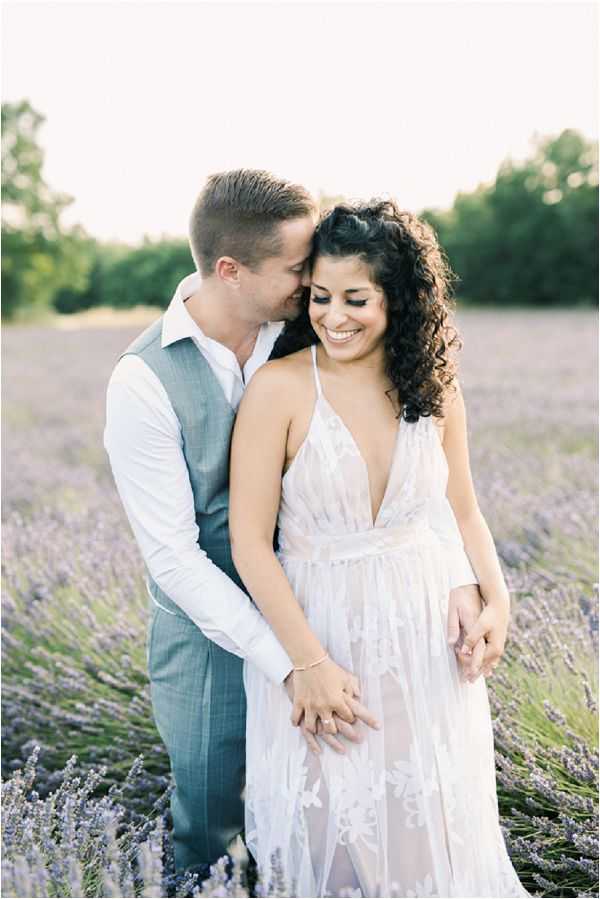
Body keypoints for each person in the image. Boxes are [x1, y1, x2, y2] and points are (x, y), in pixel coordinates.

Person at [104, 170, 493, 878]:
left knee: (381, 814)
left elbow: (431, 485)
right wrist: (296, 663)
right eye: (299, 272)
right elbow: (177, 559)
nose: (314, 286)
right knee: (213, 820)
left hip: (354, 615)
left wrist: (467, 578)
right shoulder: (143, 383)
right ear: (231, 271)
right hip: (216, 630)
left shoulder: (310, 325)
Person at [229, 200, 530, 897]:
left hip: (422, 650)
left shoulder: (435, 384)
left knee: (429, 842)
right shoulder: (279, 390)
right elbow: (250, 543)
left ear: (399, 297)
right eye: (321, 297)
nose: (334, 316)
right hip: (319, 639)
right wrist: (308, 661)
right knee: (328, 841)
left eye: (356, 298)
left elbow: (461, 508)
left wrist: (496, 597)